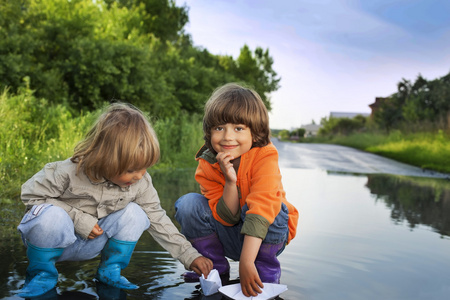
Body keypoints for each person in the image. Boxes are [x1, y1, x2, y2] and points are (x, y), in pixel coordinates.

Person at [15, 103, 212, 298]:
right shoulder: (65, 172)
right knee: (50, 216)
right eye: (131, 170)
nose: (139, 176)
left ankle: (110, 271)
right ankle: (41, 276)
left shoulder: (140, 181)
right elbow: (30, 195)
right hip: (49, 243)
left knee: (136, 213)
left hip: (92, 244)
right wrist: (79, 219)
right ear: (105, 158)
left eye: (145, 168)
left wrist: (189, 255)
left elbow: (158, 219)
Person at [174, 83, 299, 297]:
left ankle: (264, 273)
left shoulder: (265, 155)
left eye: (238, 128)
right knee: (188, 204)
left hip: (266, 235)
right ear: (209, 131)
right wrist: (230, 182)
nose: (227, 137)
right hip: (230, 234)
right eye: (219, 128)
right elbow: (227, 218)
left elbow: (262, 207)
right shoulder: (208, 163)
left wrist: (247, 262)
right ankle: (213, 268)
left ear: (255, 132)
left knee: (274, 207)